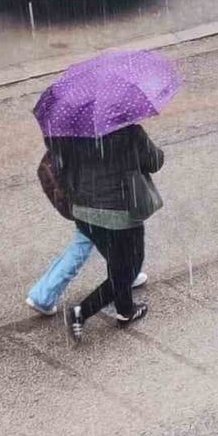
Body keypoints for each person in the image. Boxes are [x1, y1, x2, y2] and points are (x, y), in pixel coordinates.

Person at [48, 123, 165, 338]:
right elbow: (155, 161)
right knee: (129, 269)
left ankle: (125, 310)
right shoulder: (129, 131)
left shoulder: (72, 133)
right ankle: (81, 311)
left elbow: (60, 167)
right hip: (119, 213)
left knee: (116, 260)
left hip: (84, 213)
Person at [26, 151, 145, 317]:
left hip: (81, 196)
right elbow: (150, 159)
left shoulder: (71, 132)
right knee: (88, 240)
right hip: (98, 200)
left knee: (95, 238)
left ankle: (125, 276)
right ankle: (44, 295)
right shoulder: (102, 133)